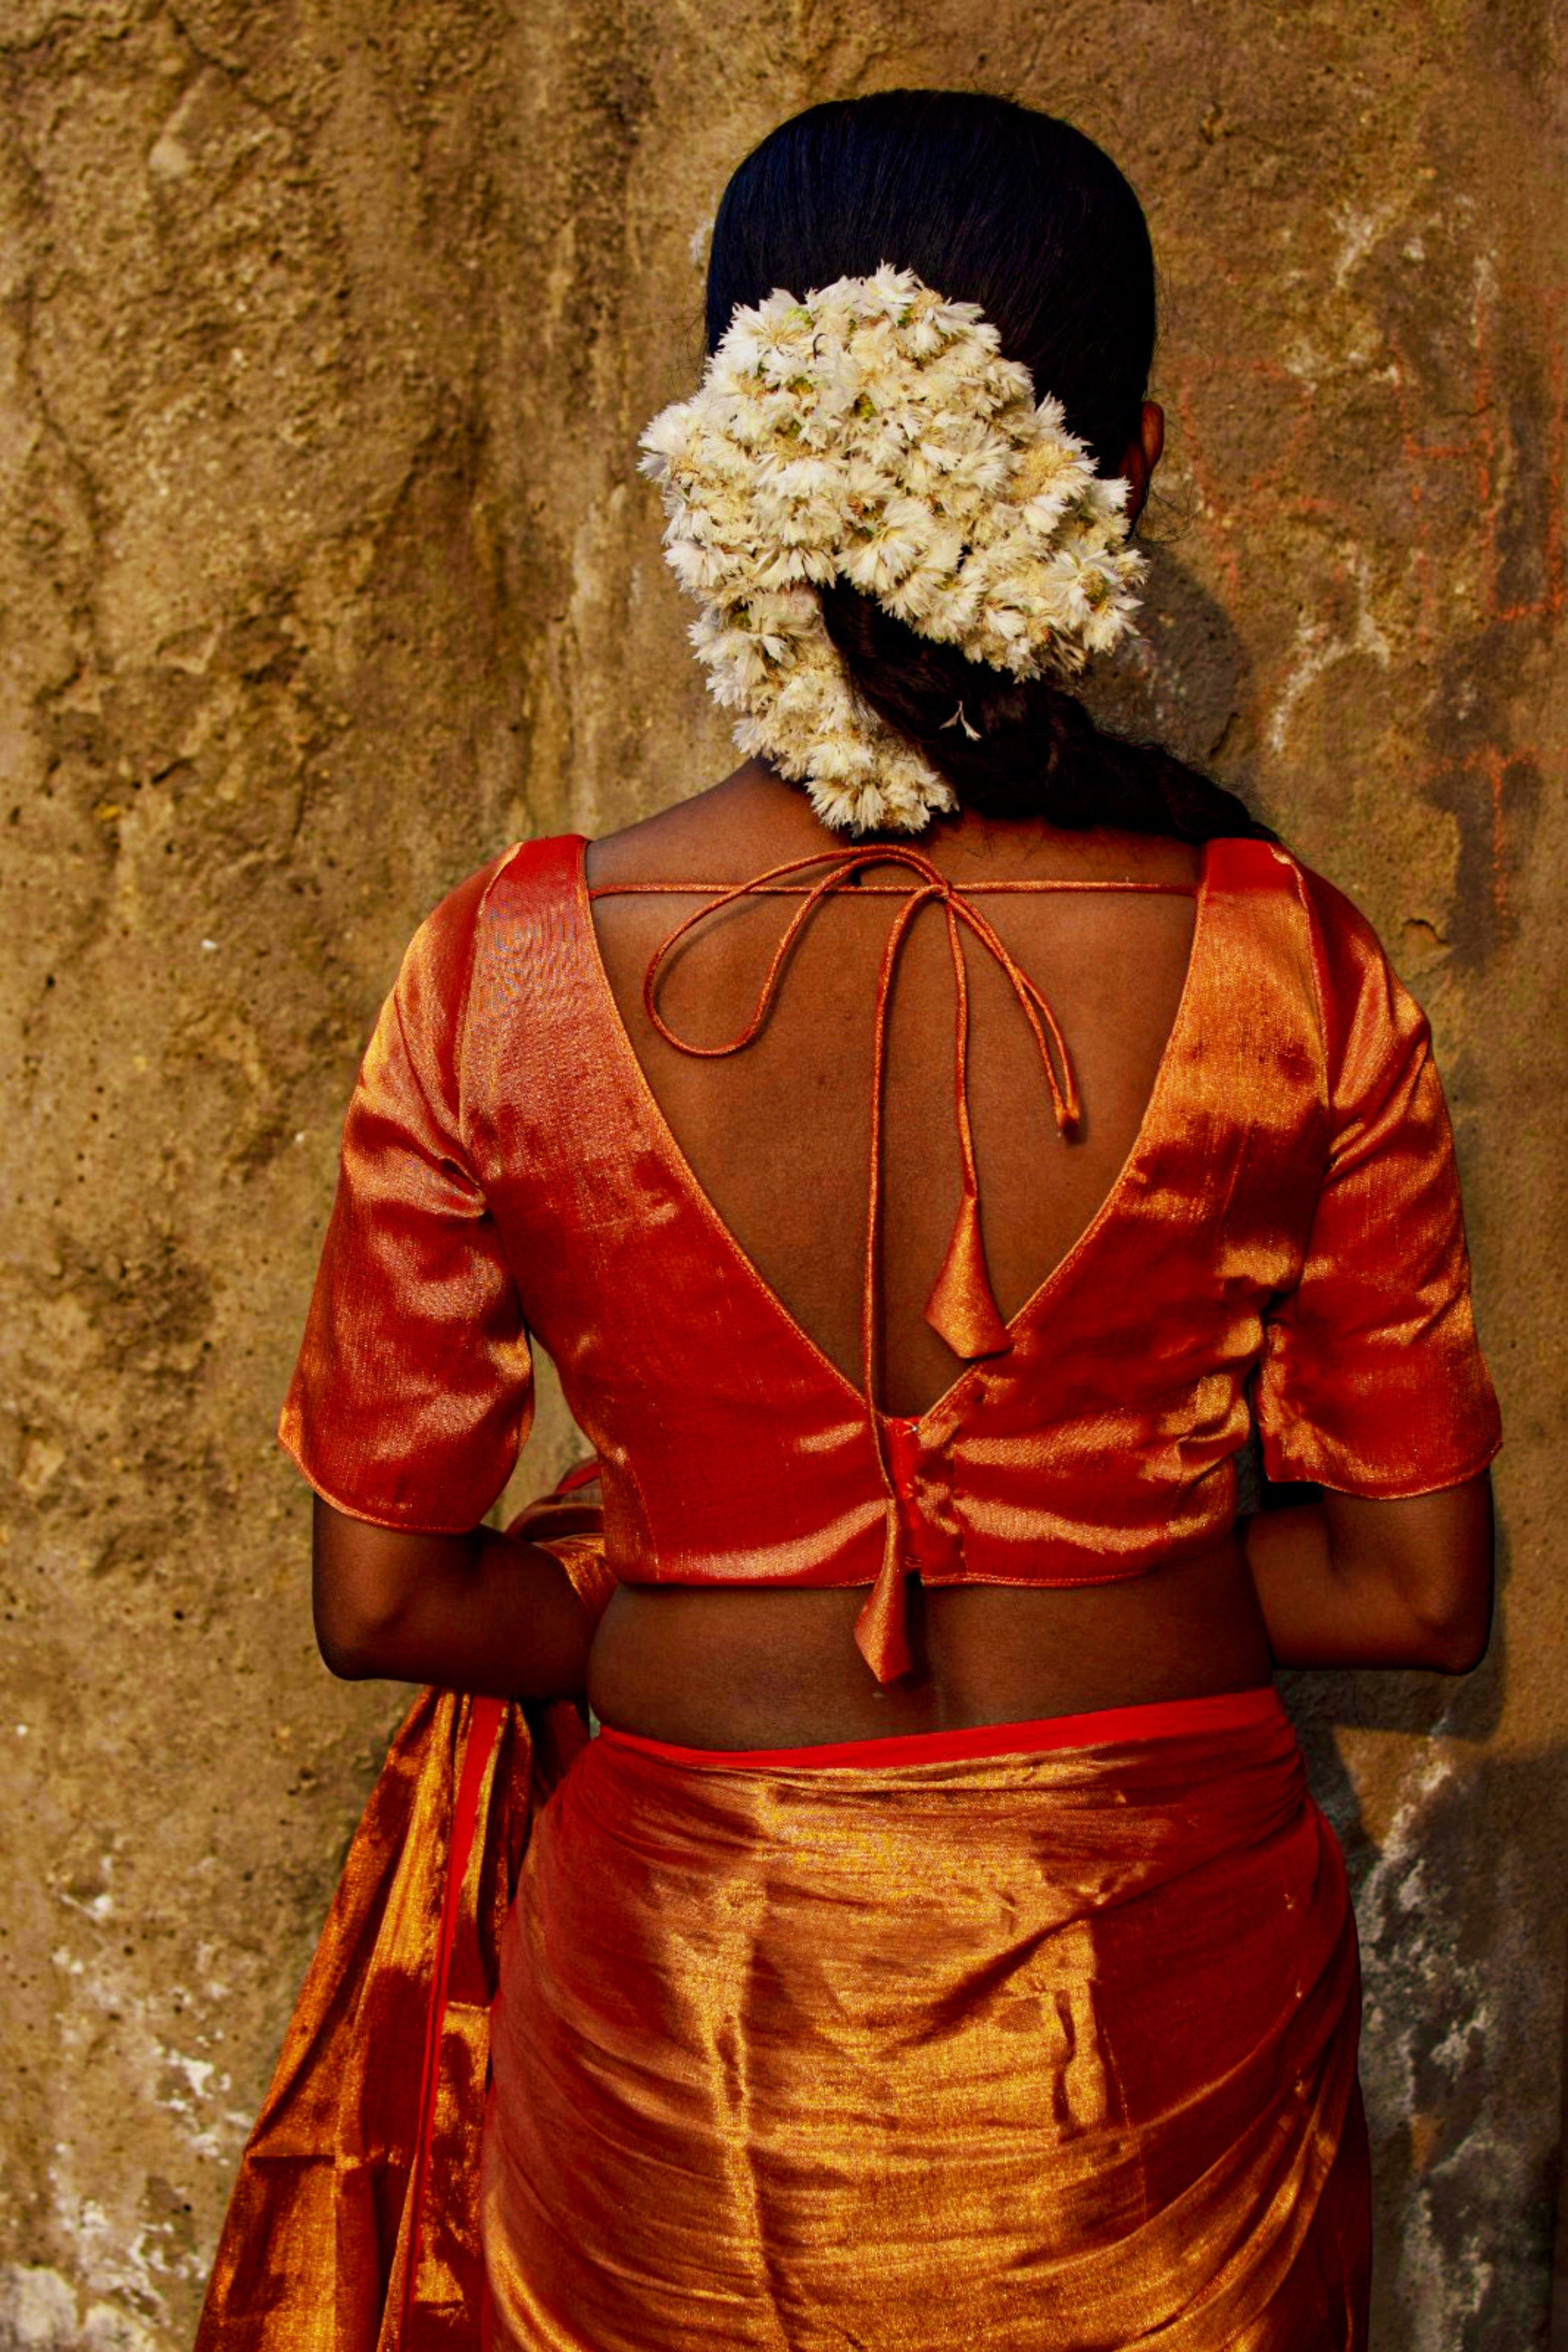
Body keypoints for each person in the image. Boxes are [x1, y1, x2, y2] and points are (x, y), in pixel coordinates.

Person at [255, 90, 1501, 2351]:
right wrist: (1091, 1572)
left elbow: (384, 1596)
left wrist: (662, 1606)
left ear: (732, 437)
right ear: (1124, 461)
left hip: (691, 2022)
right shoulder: (1286, 960)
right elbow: (1418, 1590)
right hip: (1150, 2059)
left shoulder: (505, 970)